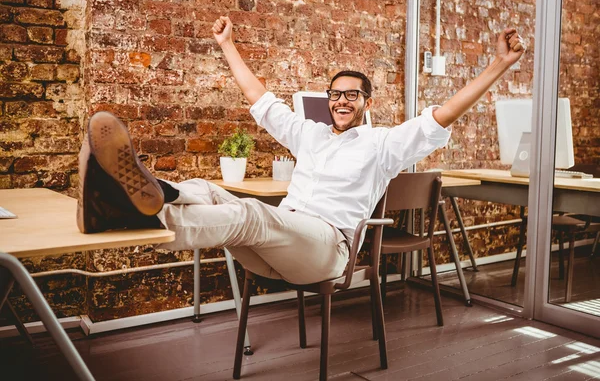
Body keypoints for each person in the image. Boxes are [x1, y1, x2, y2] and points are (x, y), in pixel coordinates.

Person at [77, 17, 525, 285]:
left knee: (252, 214)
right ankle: (131, 199)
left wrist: (498, 66)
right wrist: (227, 44)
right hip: (278, 246)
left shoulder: (382, 144)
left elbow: (442, 115)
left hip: (326, 251)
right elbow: (259, 98)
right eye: (335, 94)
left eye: (352, 95)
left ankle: (139, 215)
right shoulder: (308, 134)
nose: (341, 101)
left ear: (367, 103)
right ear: (327, 99)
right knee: (209, 191)